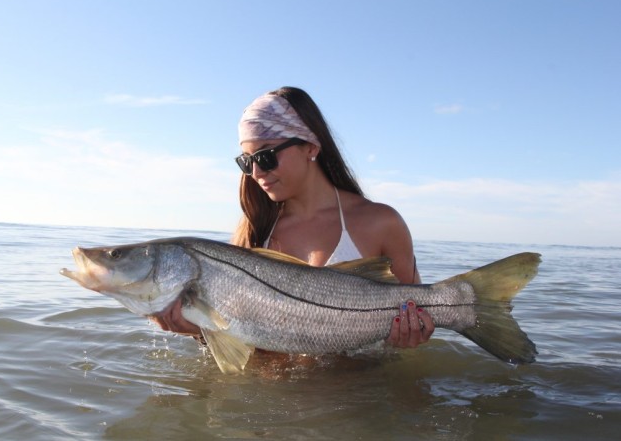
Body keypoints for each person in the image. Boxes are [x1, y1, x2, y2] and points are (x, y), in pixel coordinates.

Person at [152, 86, 435, 349]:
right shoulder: (253, 231)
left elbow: (421, 315)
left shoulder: (381, 223)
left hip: (360, 393)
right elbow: (245, 343)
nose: (256, 173)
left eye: (265, 157)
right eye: (246, 161)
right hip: (268, 394)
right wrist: (201, 331)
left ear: (311, 146)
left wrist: (412, 336)